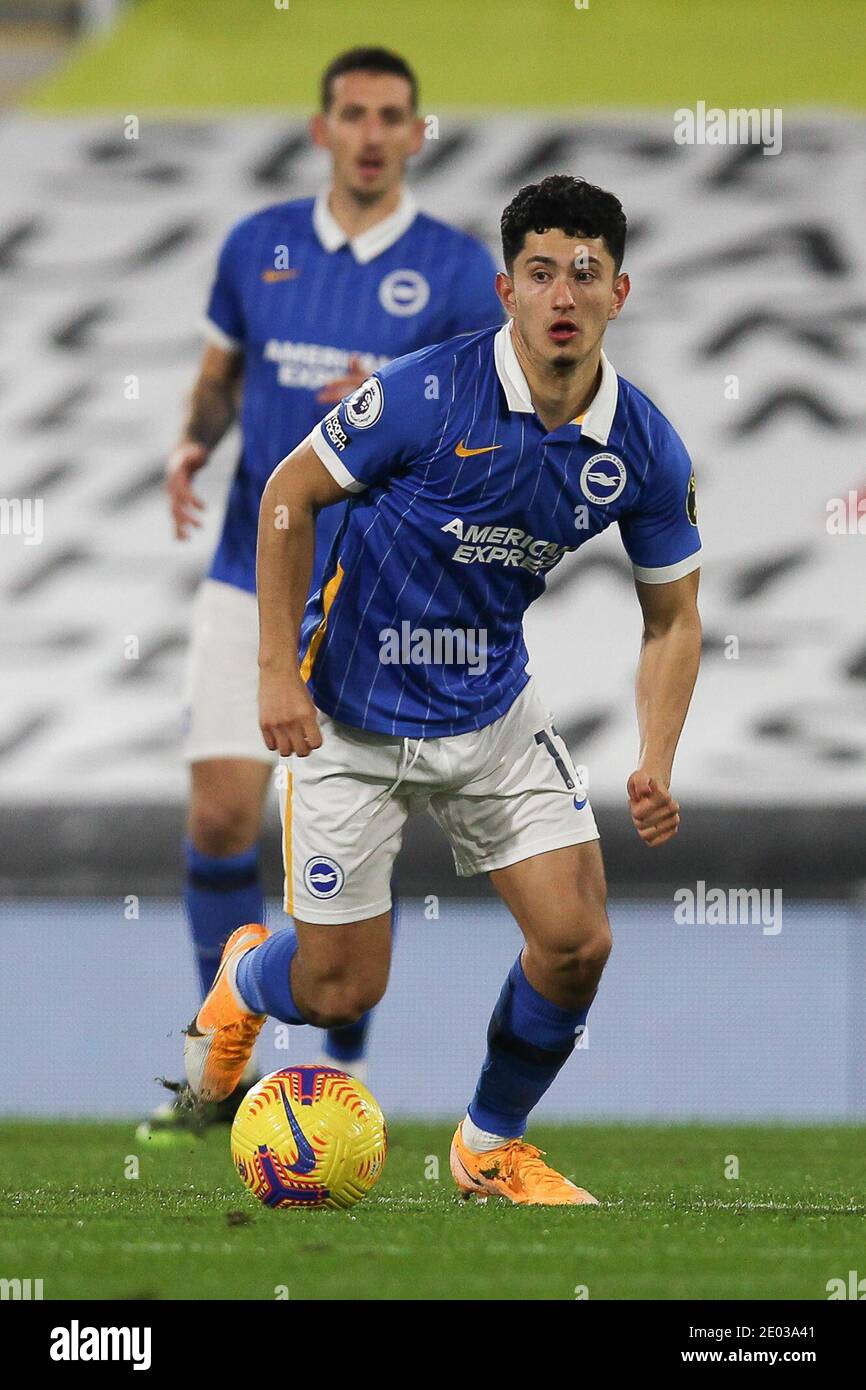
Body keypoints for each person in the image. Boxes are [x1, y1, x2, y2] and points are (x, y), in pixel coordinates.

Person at [184, 174, 702, 1205]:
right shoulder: (425, 393)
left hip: (491, 718)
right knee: (337, 992)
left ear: (619, 292)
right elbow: (287, 496)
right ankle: (249, 976)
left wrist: (654, 756)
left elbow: (672, 616)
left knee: (576, 942)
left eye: (584, 273)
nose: (562, 293)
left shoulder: (640, 447)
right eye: (540, 272)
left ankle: (485, 1145)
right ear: (506, 289)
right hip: (351, 719)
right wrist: (276, 670)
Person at [146, 47, 502, 1139]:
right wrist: (191, 445)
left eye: (391, 116)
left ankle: (335, 1003)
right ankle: (224, 1061)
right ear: (320, 129)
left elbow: (478, 429)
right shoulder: (257, 247)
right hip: (251, 567)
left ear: (415, 134)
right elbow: (221, 375)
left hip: (381, 591)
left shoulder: (450, 270)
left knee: (364, 833)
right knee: (217, 814)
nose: (368, 133)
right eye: (351, 113)